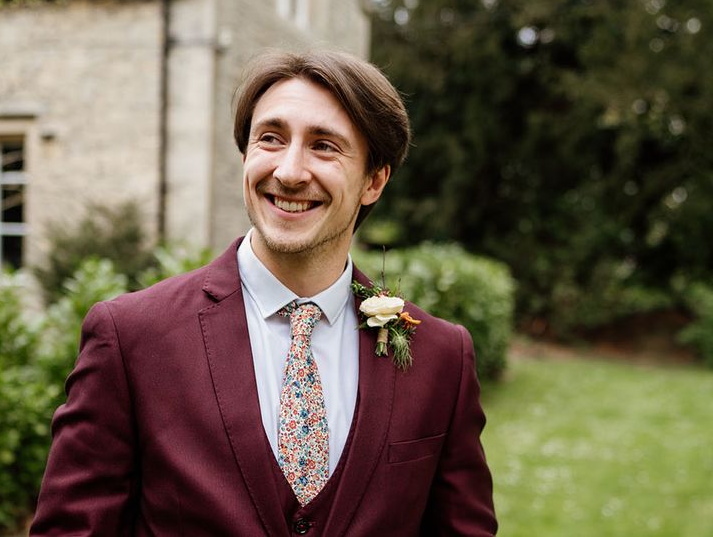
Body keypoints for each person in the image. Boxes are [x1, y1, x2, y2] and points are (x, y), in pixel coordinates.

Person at [30, 49, 497, 536]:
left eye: (324, 146)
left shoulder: (442, 358)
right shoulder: (131, 338)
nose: (290, 172)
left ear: (374, 180)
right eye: (271, 139)